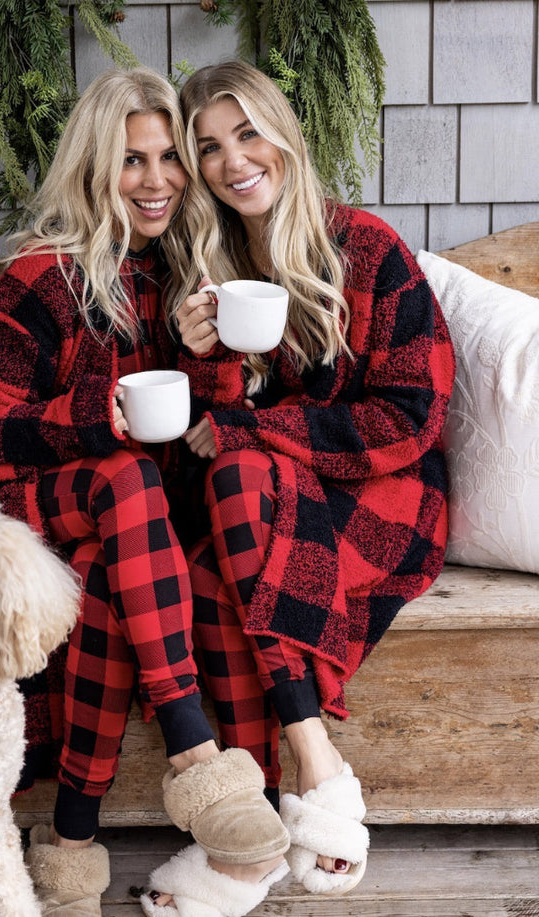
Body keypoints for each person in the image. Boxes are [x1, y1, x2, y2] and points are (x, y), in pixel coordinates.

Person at [0, 67, 290, 917]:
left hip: (124, 538)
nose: (159, 180)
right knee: (124, 475)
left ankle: (69, 844)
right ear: (97, 168)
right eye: (133, 161)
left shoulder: (182, 275)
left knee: (109, 566)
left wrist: (213, 361)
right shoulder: (40, 279)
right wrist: (94, 418)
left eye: (172, 158)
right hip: (21, 510)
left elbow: (203, 439)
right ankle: (192, 751)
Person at [139, 60, 455, 914]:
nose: (232, 160)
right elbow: (206, 443)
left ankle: (279, 805)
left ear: (282, 133)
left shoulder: (366, 247)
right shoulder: (207, 268)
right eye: (207, 146)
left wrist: (254, 430)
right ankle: (268, 816)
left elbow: (409, 418)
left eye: (247, 132)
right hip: (267, 499)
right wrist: (203, 359)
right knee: (211, 564)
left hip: (385, 493)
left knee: (243, 485)